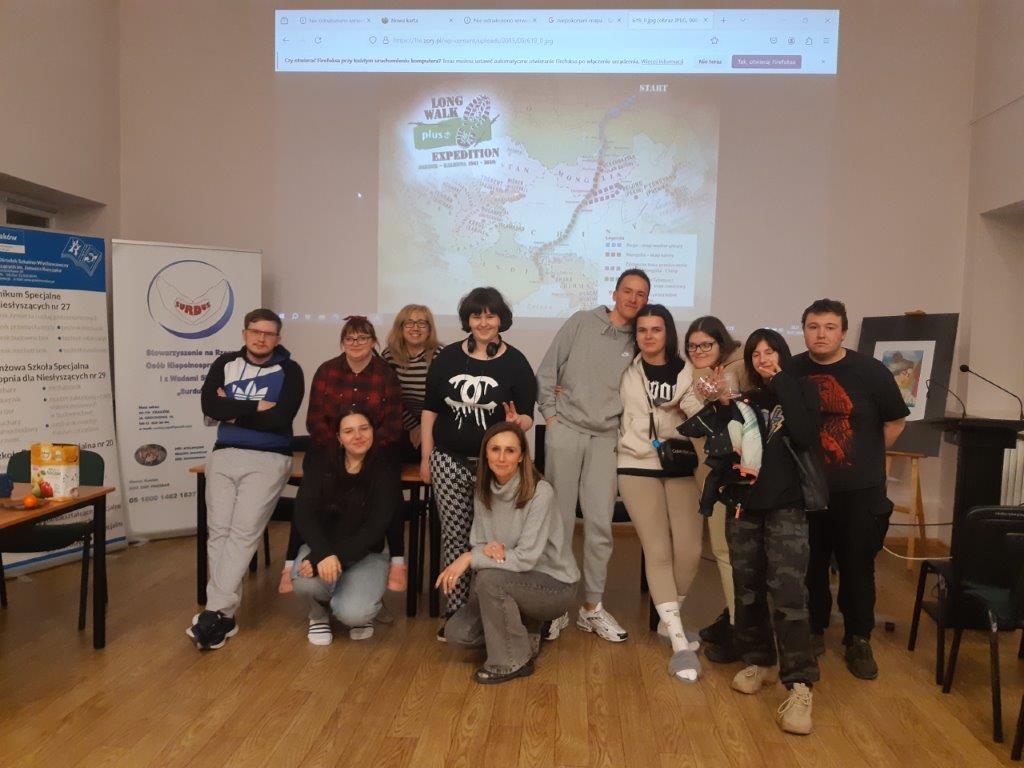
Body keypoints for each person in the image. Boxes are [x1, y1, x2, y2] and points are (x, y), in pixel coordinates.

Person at [789, 299, 908, 680]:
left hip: (860, 493)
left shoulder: (871, 372)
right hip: (807, 490)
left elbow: (895, 422)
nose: (820, 334)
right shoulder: (792, 370)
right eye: (813, 327)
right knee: (811, 565)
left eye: (829, 327)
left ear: (842, 332)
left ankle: (858, 638)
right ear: (804, 330)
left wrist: (864, 457)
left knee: (858, 567)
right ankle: (814, 629)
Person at [536, 268, 650, 643]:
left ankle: (591, 608)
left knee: (600, 524)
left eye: (641, 294)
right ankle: (555, 607)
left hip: (606, 438)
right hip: (566, 430)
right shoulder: (582, 322)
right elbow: (547, 369)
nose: (633, 299)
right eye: (628, 291)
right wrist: (551, 417)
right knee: (559, 521)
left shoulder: (641, 340)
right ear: (614, 293)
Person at [720, 329, 821, 735]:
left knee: (789, 594)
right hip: (743, 507)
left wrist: (782, 381)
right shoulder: (744, 399)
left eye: (771, 351)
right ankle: (760, 661)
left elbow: (805, 435)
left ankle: (799, 685)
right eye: (756, 354)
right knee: (746, 588)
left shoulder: (800, 390)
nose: (763, 358)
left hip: (787, 508)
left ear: (783, 354)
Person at [188, 308, 304, 650]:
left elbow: (281, 418)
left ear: (278, 338)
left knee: (242, 532)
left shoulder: (290, 370)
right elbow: (210, 406)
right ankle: (223, 616)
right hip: (223, 453)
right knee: (219, 531)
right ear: (244, 334)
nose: (261, 338)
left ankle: (215, 611)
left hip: (270, 457)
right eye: (255, 331)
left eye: (269, 333)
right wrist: (256, 407)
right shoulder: (225, 363)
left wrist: (233, 409)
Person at [421, 287, 537, 626]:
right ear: (467, 320)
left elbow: (527, 416)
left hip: (497, 467)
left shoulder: (516, 362)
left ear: (501, 319)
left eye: (490, 315)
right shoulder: (447, 358)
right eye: (476, 316)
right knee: (456, 536)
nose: (483, 322)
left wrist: (517, 423)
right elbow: (430, 410)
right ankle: (457, 613)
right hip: (448, 461)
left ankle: (488, 610)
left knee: (493, 540)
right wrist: (427, 457)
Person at [439, 422, 579, 683]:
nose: (501, 457)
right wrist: (485, 549)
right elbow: (479, 541)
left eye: (510, 450)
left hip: (553, 585)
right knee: (457, 633)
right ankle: (528, 631)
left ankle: (512, 661)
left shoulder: (540, 492)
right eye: (495, 449)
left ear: (522, 456)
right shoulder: (483, 489)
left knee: (489, 579)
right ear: (486, 453)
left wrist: (471, 557)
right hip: (511, 578)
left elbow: (526, 558)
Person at [279, 316, 403, 594]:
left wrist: (363, 446)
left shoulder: (386, 374)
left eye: (363, 338)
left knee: (390, 483)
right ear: (342, 342)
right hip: (330, 447)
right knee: (308, 489)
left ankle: (397, 560)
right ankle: (289, 564)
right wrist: (341, 447)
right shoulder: (327, 371)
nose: (356, 343)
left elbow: (393, 425)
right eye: (350, 338)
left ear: (373, 341)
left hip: (375, 449)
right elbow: (314, 420)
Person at [617, 304, 704, 681]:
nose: (649, 336)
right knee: (657, 551)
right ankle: (679, 641)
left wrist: (694, 405)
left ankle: (667, 620)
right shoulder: (625, 372)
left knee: (690, 550)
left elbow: (701, 415)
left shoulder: (689, 371)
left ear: (668, 333)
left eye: (656, 329)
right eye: (642, 330)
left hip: (679, 462)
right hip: (635, 463)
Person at [290, 409, 400, 644]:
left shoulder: (386, 469)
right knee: (304, 583)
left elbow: (374, 529)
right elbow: (304, 513)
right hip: (324, 547)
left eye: (364, 429)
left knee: (354, 614)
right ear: (339, 438)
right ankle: (318, 614)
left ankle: (359, 603)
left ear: (373, 432)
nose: (358, 436)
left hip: (367, 553)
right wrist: (322, 553)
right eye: (349, 431)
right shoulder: (321, 463)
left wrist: (324, 558)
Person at [682, 315, 750, 662]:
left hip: (736, 477)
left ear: (721, 343)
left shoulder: (737, 369)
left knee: (729, 554)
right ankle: (735, 620)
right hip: (712, 475)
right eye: (692, 346)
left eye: (705, 344)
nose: (698, 351)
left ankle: (742, 633)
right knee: (728, 555)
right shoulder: (696, 374)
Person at [381, 305, 444, 591]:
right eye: (409, 322)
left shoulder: (441, 355)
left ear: (430, 328)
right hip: (403, 429)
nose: (416, 328)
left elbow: (445, 399)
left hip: (438, 430)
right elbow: (388, 399)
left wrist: (426, 428)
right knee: (385, 475)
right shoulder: (388, 357)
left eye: (422, 323)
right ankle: (396, 557)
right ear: (400, 327)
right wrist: (412, 426)